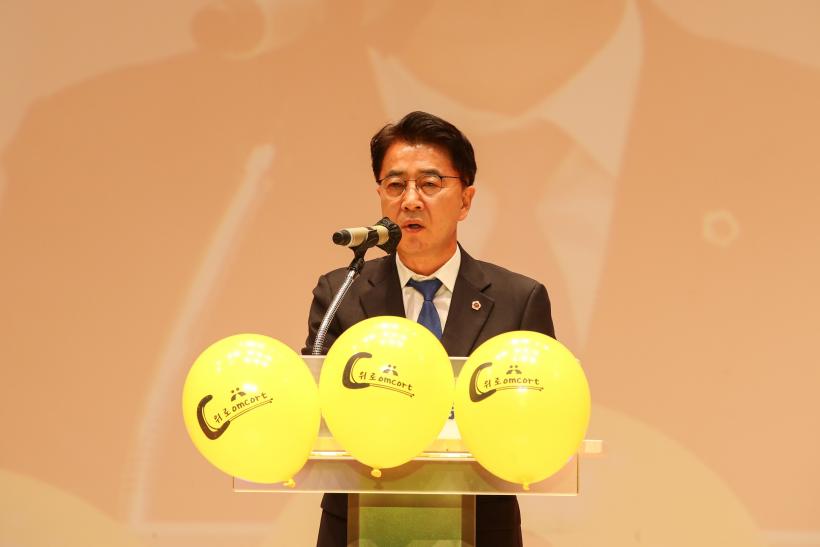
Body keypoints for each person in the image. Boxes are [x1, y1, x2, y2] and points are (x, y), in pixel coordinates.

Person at [303, 111, 555, 547]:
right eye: (395, 185)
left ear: (466, 200)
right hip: (359, 525)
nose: (410, 200)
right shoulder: (341, 291)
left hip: (479, 527)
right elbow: (315, 413)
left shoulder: (518, 299)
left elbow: (540, 417)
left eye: (430, 184)